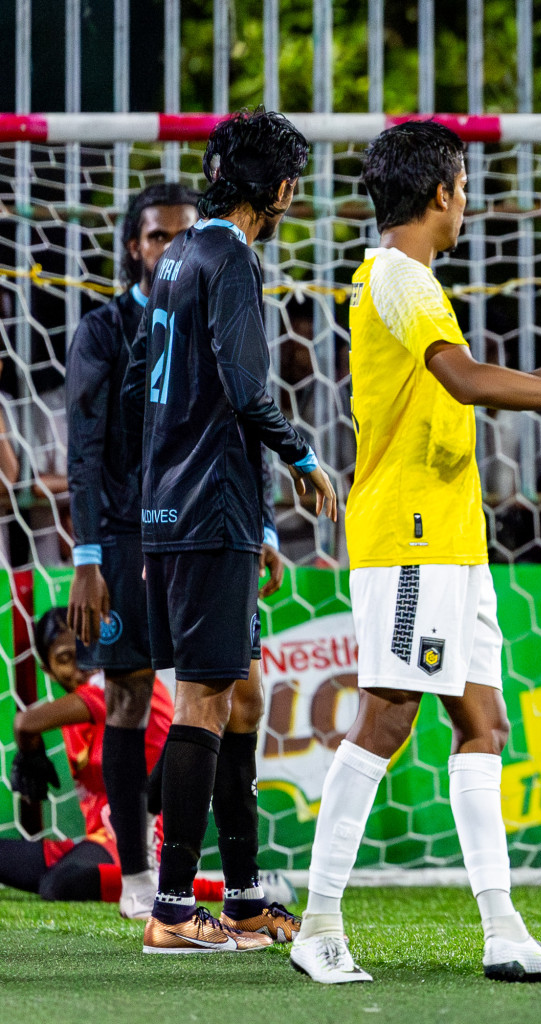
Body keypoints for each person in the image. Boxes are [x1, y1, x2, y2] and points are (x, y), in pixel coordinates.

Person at [288, 120, 541, 985]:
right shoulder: (401, 275)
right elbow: (464, 377)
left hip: (454, 539)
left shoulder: (406, 281)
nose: (468, 201)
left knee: (483, 723)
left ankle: (502, 929)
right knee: (388, 717)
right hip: (412, 533)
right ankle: (316, 924)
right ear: (442, 193)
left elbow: (460, 378)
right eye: (464, 186)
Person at [123, 109, 338, 954]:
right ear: (280, 188)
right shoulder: (233, 260)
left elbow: (156, 387)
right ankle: (175, 908)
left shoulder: (176, 256)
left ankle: (245, 898)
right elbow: (247, 388)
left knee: (242, 694)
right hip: (208, 508)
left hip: (182, 506)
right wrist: (304, 456)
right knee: (208, 701)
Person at [64, 182, 198, 920]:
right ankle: (138, 872)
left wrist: (266, 527)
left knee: (219, 695)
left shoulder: (207, 320)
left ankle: (194, 861)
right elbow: (84, 446)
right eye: (157, 236)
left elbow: (244, 418)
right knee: (127, 696)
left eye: (183, 236)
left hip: (200, 530)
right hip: (119, 537)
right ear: (132, 246)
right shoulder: (104, 331)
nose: (170, 248)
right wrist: (87, 557)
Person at [1, 609, 176, 905]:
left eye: (88, 650)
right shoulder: (76, 712)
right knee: (56, 879)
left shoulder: (121, 687)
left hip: (148, 838)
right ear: (48, 670)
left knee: (59, 885)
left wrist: (31, 751)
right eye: (66, 659)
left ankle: (197, 884)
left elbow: (24, 723)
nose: (83, 665)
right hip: (102, 840)